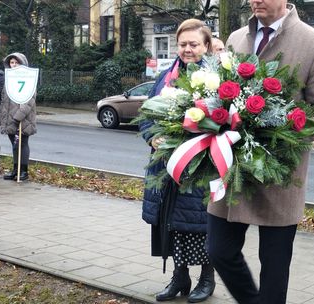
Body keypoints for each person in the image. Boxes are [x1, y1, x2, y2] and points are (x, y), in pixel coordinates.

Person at [205, 1, 314, 303]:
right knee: (218, 251)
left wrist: (274, 131)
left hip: (279, 175)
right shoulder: (236, 38)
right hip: (233, 172)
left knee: (274, 274)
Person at [139, 19, 216, 303]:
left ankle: (207, 278)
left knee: (200, 223)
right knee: (171, 221)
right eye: (182, 44)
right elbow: (146, 113)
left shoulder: (217, 78)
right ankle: (179, 277)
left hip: (200, 167)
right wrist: (152, 137)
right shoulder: (166, 75)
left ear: (206, 46)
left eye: (193, 44)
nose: (186, 49)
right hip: (165, 165)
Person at [0, 52, 37, 181]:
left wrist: (18, 117)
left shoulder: (29, 80)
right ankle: (16, 169)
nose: (13, 65)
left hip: (23, 119)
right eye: (12, 62)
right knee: (14, 145)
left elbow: (30, 101)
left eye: (16, 62)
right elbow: (4, 100)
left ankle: (23, 171)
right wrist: (1, 118)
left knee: (22, 144)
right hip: (9, 119)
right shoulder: (8, 80)